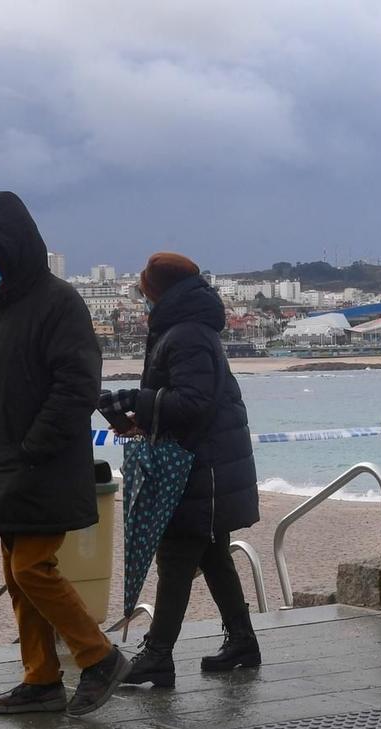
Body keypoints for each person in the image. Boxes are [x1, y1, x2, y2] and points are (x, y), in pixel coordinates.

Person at [0, 191, 126, 717]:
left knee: (31, 568)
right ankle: (41, 678)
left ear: (16, 251)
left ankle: (99, 658)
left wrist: (34, 447)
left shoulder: (59, 303)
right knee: (15, 573)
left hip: (44, 467)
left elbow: (77, 387)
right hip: (1, 467)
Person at [115, 253, 262, 688]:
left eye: (143, 289)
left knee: (177, 553)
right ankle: (242, 640)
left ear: (158, 290)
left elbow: (193, 403)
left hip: (200, 467)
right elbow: (187, 400)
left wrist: (135, 402)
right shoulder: (185, 329)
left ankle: (158, 654)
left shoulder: (186, 334)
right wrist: (142, 415)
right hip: (205, 462)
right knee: (212, 553)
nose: (141, 298)